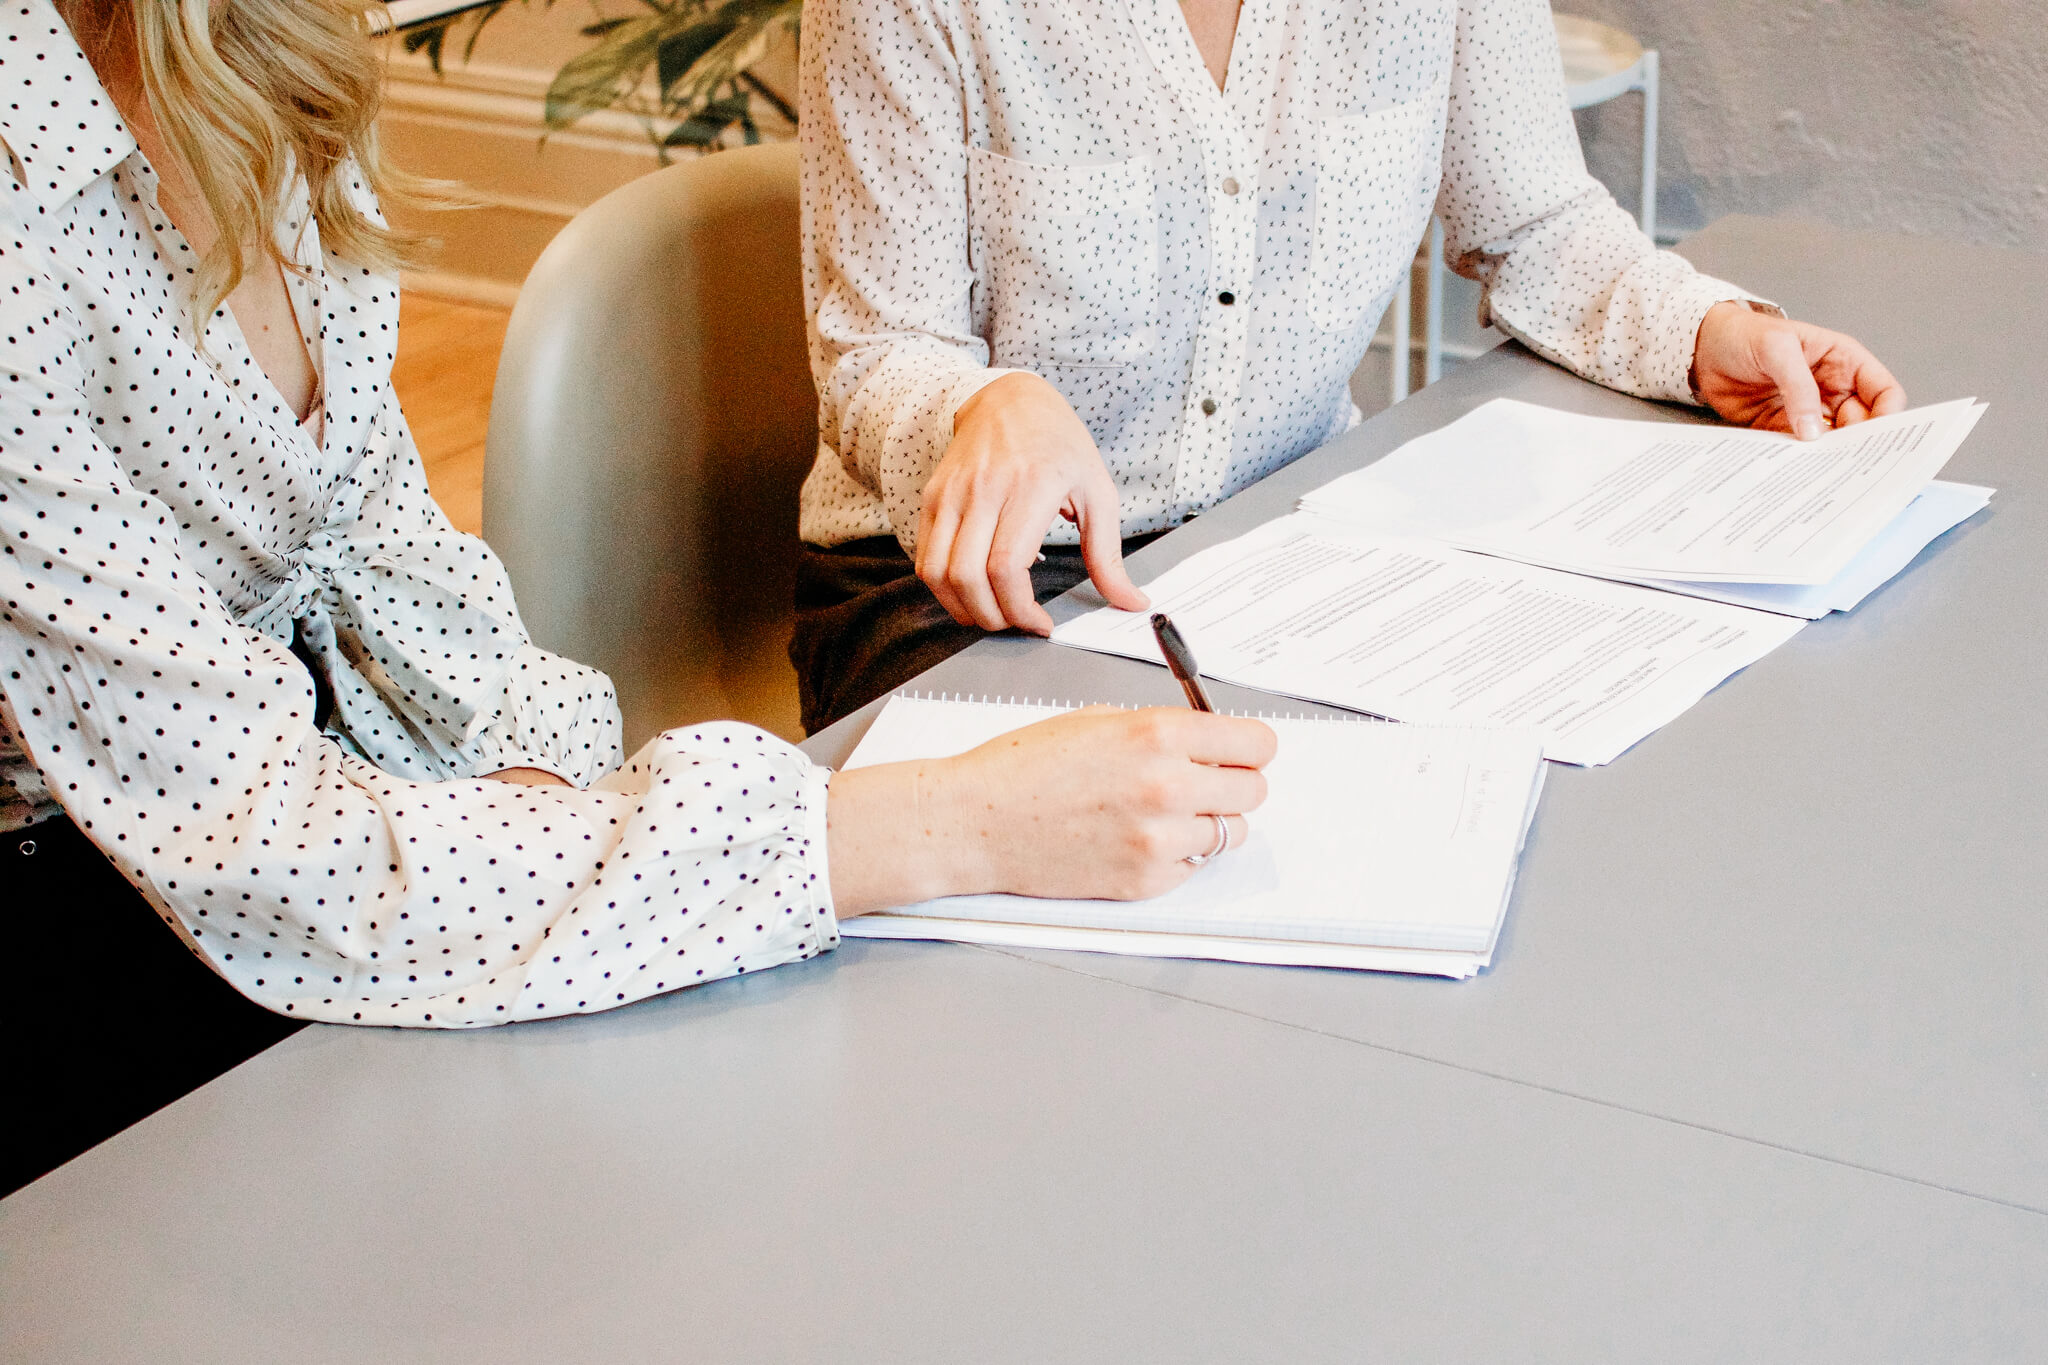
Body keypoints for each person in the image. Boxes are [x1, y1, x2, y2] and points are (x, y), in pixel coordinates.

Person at [0, 0, 1275, 1195]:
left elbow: (384, 554)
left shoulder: (263, 59)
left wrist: (541, 794)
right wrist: (947, 825)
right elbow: (272, 853)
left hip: (317, 824)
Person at [790, 0, 1909, 733]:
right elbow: (875, 350)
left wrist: (1705, 331)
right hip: (961, 590)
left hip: (1280, 549)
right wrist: (981, 405)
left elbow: (1531, 220)